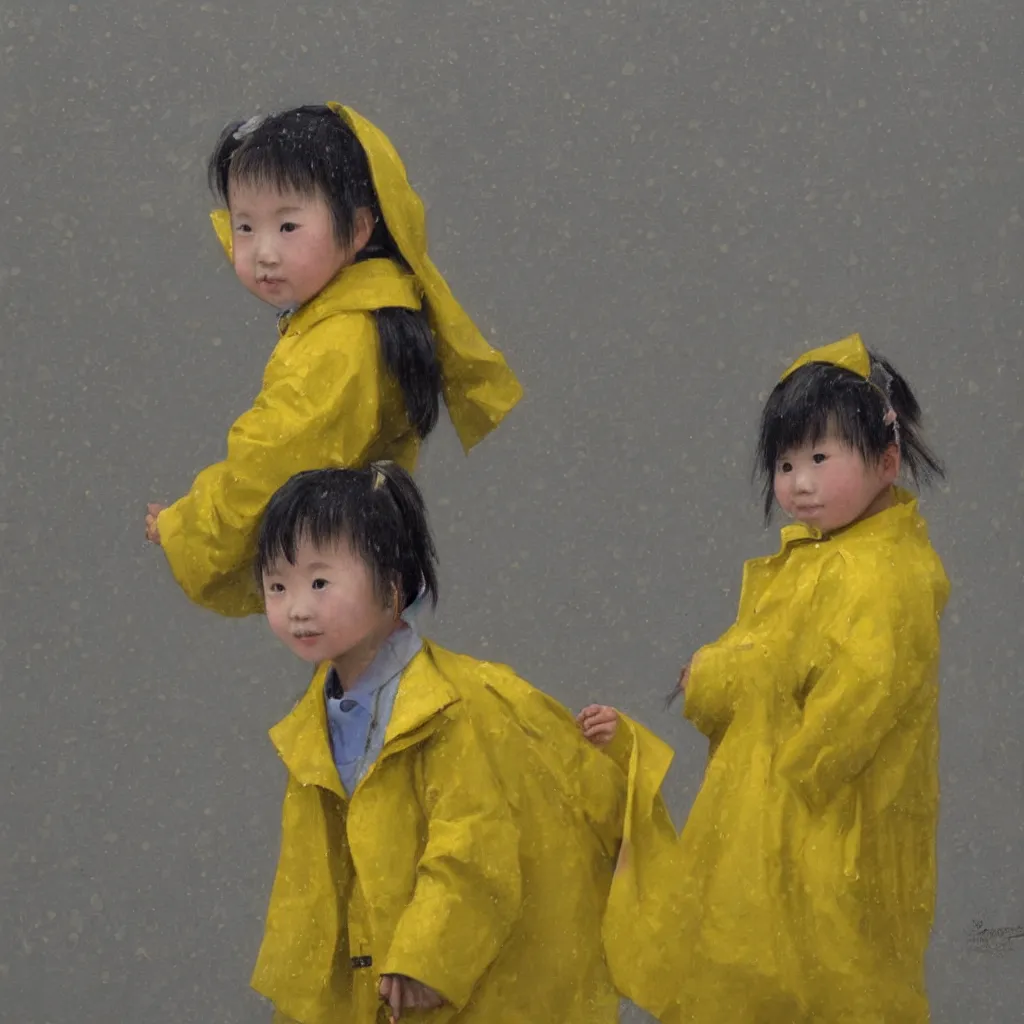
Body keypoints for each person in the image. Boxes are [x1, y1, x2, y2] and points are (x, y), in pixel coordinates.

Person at [579, 334, 950, 1022]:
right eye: (784, 463)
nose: (798, 481)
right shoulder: (812, 565)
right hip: (769, 823)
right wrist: (715, 678)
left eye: (818, 457)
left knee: (830, 980)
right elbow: (765, 664)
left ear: (887, 461)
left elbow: (860, 689)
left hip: (826, 826)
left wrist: (800, 759)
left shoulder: (884, 575)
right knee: (757, 974)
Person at [248, 461, 676, 1024]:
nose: (297, 607)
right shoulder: (313, 726)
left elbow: (475, 845)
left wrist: (428, 956)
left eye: (320, 582)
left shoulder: (451, 708)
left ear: (393, 584)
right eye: (278, 586)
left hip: (473, 987)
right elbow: (314, 888)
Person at [144, 103, 521, 617]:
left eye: (288, 225)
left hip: (344, 581)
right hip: (364, 573)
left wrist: (187, 527)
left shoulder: (341, 338)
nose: (263, 252)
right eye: (245, 226)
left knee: (364, 691)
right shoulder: (368, 312)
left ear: (360, 226)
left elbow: (273, 459)